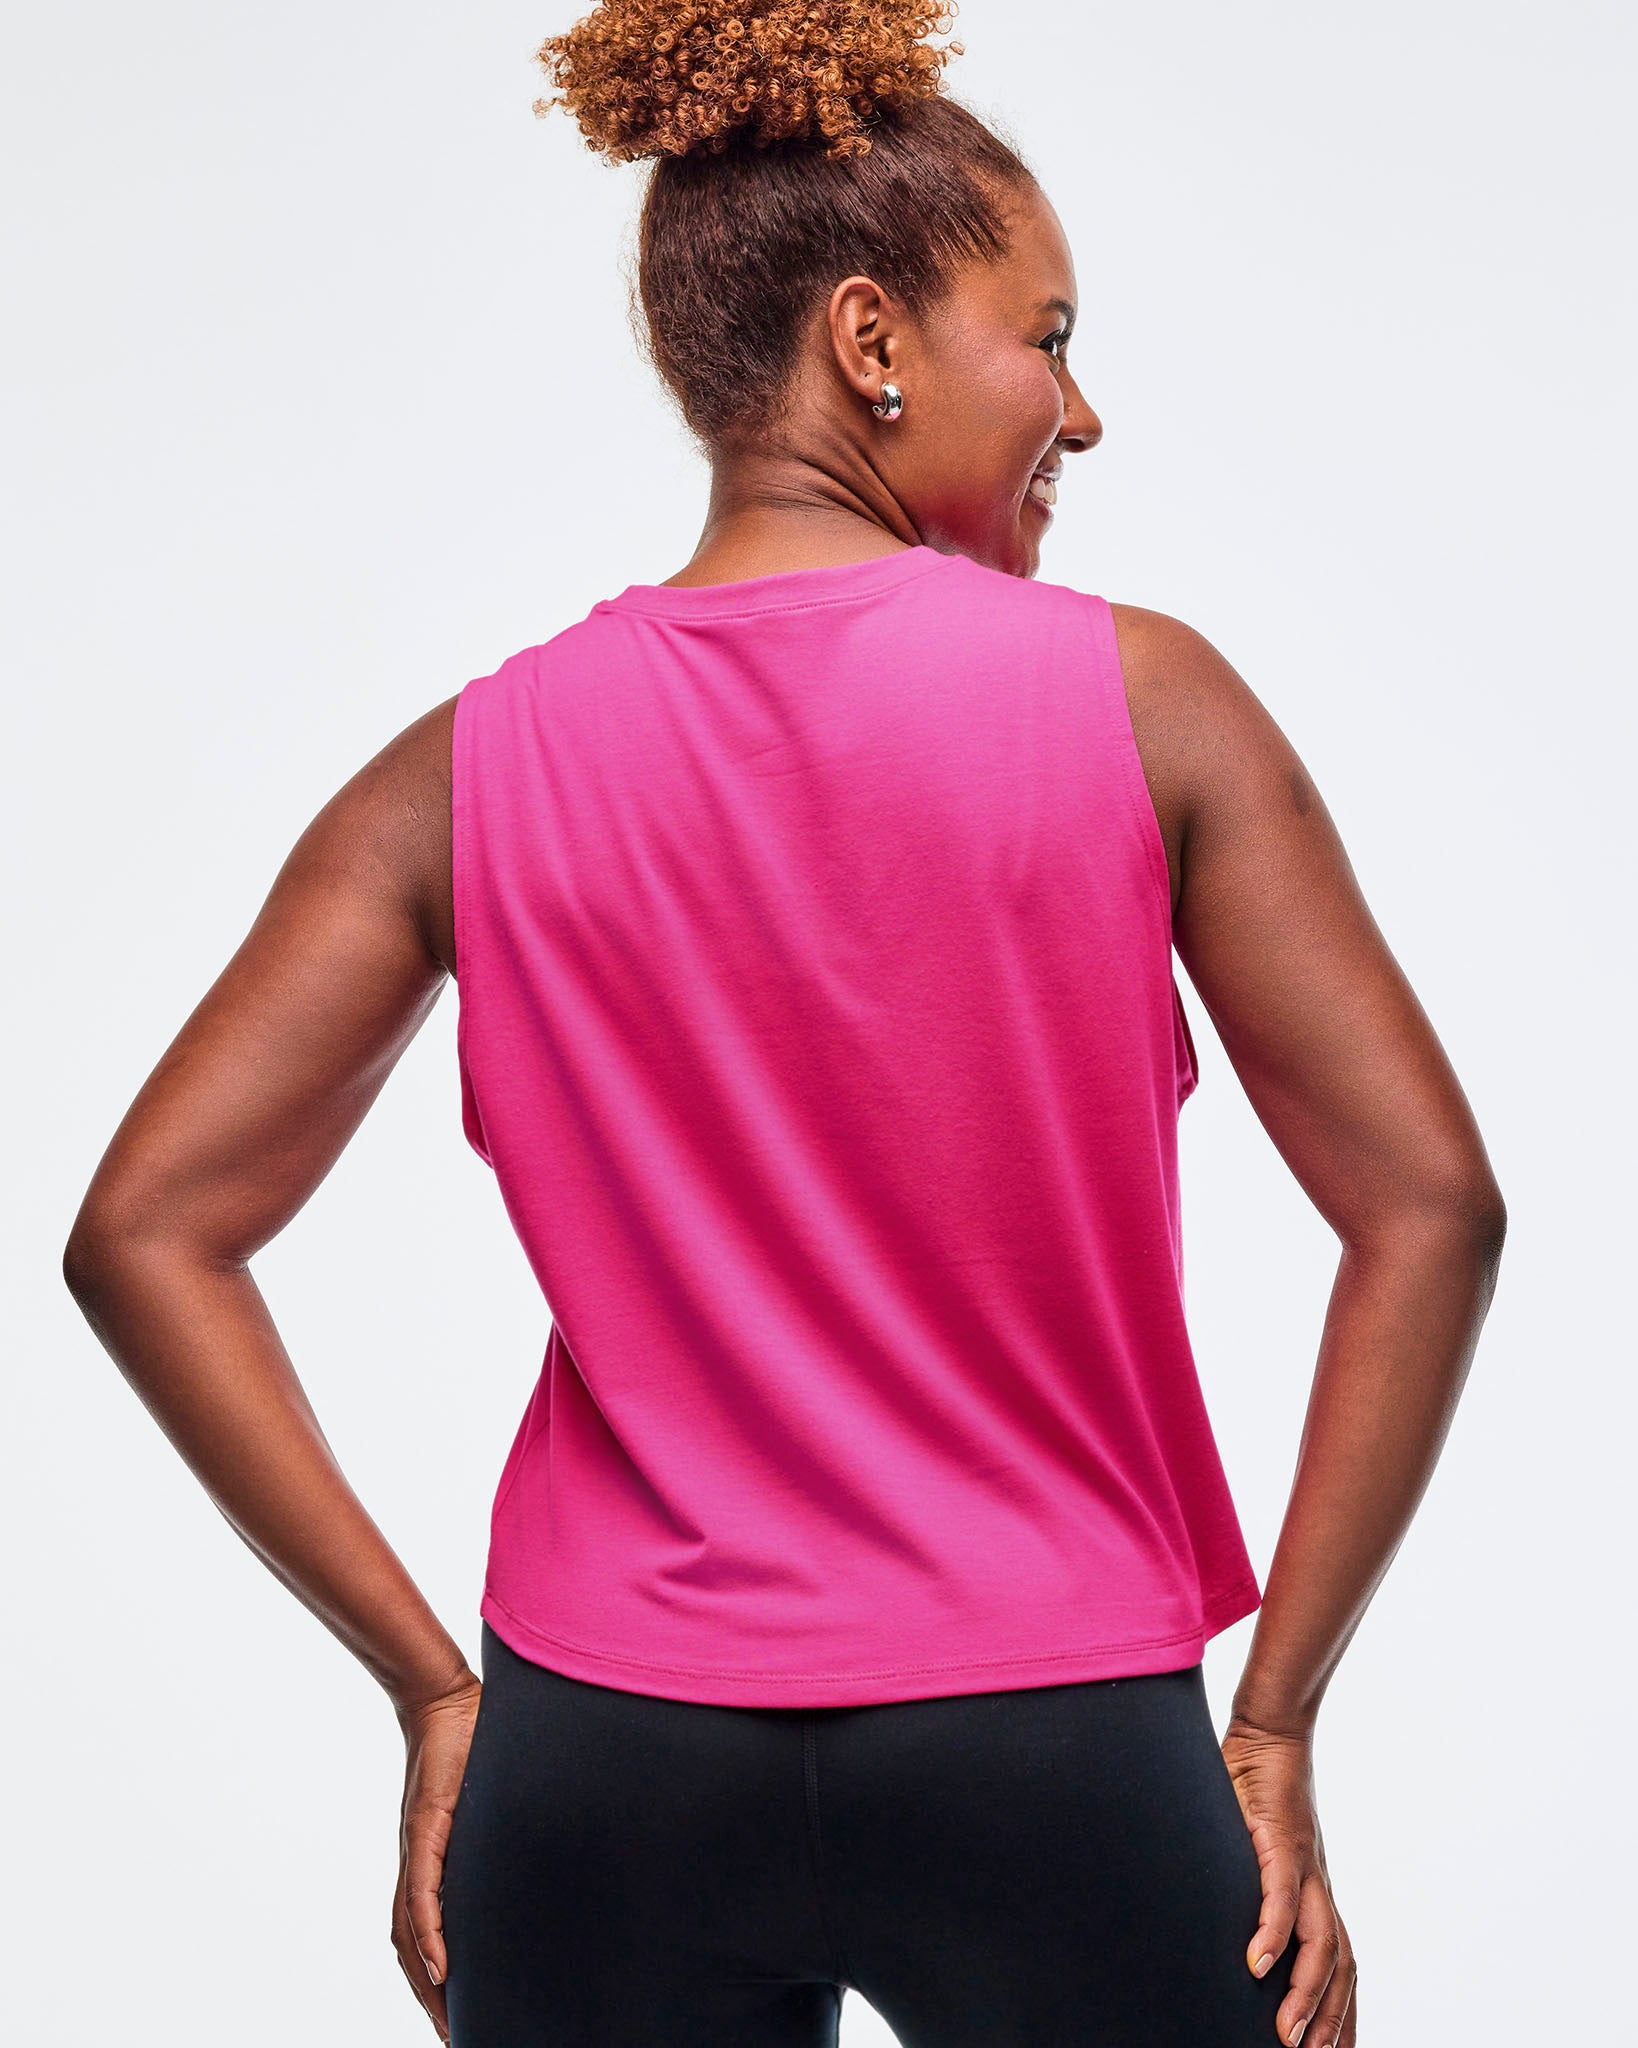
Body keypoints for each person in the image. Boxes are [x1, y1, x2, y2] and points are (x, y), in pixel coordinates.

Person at [62, 4, 1506, 2046]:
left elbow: (145, 1230)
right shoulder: (1146, 703)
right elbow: (1432, 1204)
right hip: (1047, 1736)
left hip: (603, 1757)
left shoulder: (462, 775)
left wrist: (434, 1689)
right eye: (1051, 338)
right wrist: (1269, 1723)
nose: (1083, 416)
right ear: (870, 340)